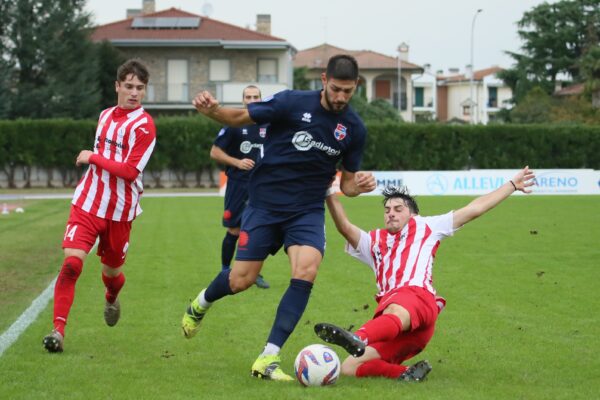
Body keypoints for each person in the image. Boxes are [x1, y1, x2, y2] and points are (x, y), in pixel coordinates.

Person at [181, 54, 377, 381]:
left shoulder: (354, 129)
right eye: (337, 89)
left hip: (307, 210)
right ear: (324, 80)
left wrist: (360, 185)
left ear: (356, 86)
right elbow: (241, 117)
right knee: (240, 280)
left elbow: (347, 184)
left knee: (307, 270)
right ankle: (200, 303)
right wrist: (212, 110)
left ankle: (268, 358)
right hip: (264, 205)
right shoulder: (290, 102)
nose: (342, 96)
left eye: (348, 91)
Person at [314, 167, 535, 381]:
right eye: (387, 210)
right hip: (408, 331)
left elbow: (474, 209)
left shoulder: (426, 227)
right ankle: (406, 374)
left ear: (413, 214)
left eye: (398, 209)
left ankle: (359, 336)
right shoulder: (373, 242)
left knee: (395, 307)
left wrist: (512, 185)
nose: (391, 213)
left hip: (417, 300)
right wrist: (329, 192)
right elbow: (344, 227)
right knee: (350, 367)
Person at [43, 59, 156, 353]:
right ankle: (58, 331)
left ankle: (110, 296)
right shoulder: (105, 115)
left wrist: (92, 157)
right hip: (88, 203)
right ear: (117, 86)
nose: (134, 92)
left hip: (120, 212)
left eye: (140, 88)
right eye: (129, 86)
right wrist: (95, 159)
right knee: (71, 264)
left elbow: (130, 172)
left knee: (112, 273)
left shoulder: (145, 126)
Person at [211, 85, 269, 289]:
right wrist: (237, 162)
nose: (252, 100)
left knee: (257, 230)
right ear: (243, 100)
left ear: (261, 99)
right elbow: (215, 152)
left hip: (262, 185)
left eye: (255, 96)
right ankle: (225, 269)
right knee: (235, 229)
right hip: (238, 183)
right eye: (248, 97)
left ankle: (254, 273)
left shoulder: (269, 123)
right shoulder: (234, 124)